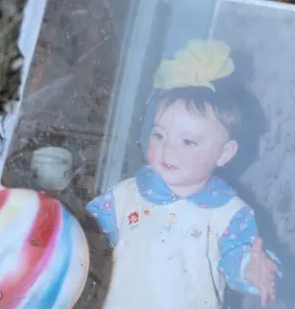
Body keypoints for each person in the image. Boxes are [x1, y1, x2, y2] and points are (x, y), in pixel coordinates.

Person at [86, 40, 281, 309]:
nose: (168, 149)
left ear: (224, 154)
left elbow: (239, 255)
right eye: (159, 135)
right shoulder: (124, 195)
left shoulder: (229, 214)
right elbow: (88, 237)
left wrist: (252, 269)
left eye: (188, 142)